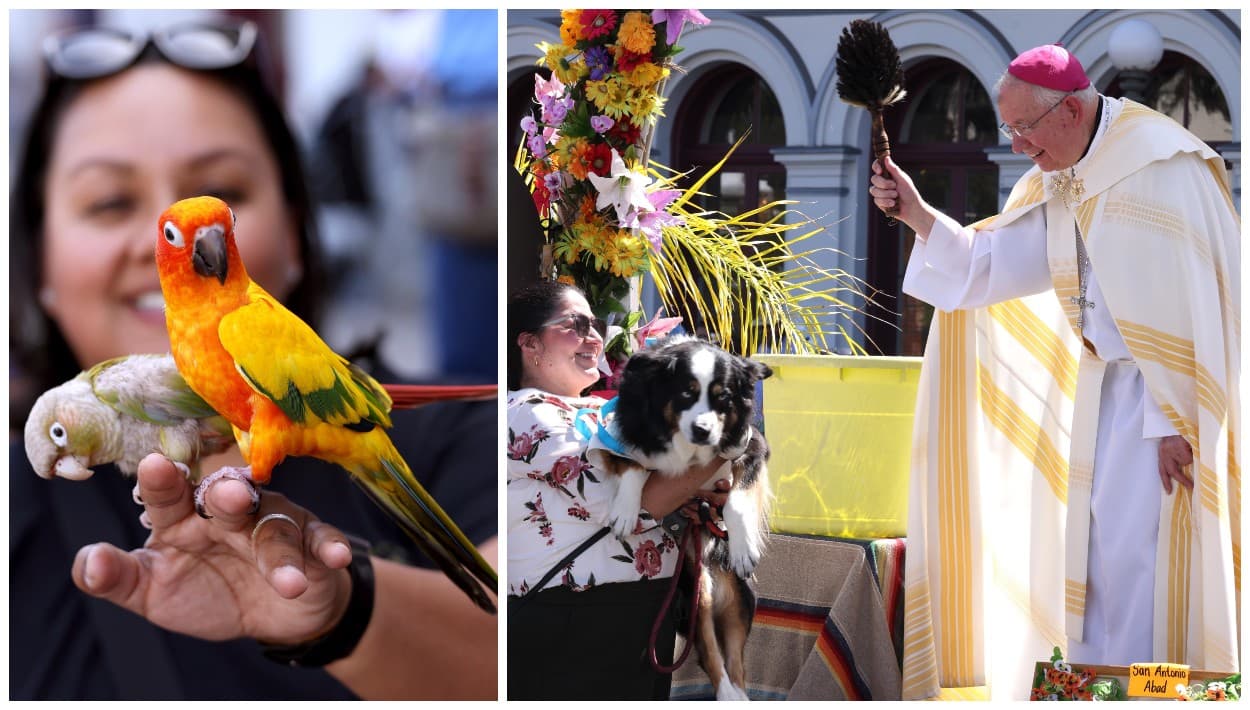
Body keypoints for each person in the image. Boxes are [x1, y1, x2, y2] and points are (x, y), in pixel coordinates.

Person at [9, 16, 497, 700]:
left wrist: (346, 610)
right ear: (39, 270)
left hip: (353, 437)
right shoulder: (20, 505)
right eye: (108, 200)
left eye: (228, 199)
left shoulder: (459, 444)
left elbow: (544, 650)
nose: (197, 244)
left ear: (299, 231)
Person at [868, 44, 1239, 698]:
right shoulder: (1063, 175)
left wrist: (1178, 418)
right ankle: (1094, 696)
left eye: (1023, 130)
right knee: (1091, 571)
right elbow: (993, 265)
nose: (1016, 147)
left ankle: (1152, 699)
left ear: (1069, 110)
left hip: (1166, 418)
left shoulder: (1161, 164)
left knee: (1145, 576)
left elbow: (1201, 309)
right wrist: (916, 215)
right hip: (1104, 405)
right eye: (1008, 130)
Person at [506, 281, 730, 700]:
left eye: (595, 324)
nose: (593, 335)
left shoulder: (601, 409)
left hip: (641, 617)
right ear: (529, 343)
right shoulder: (525, 413)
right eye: (576, 324)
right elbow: (625, 506)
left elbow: (678, 482)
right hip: (571, 623)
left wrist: (706, 492)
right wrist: (720, 449)